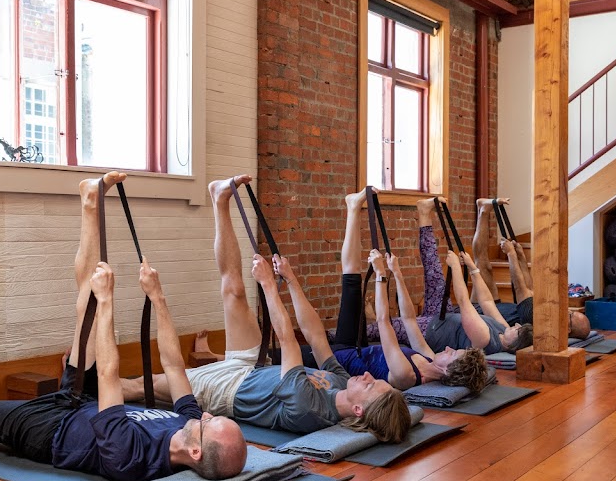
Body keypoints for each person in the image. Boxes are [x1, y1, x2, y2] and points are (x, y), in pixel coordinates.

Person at [0, 172, 247, 481]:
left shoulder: (131, 456)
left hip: (51, 430)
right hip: (83, 401)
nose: (206, 414)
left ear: (195, 451)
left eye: (208, 423)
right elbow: (173, 365)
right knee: (87, 304)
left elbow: (109, 374)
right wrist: (159, 298)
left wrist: (108, 301)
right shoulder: (188, 421)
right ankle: (90, 202)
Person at [139, 176, 412, 443]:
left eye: (370, 385)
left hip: (228, 388)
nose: (368, 376)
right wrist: (290, 280)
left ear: (358, 410)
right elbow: (315, 337)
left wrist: (269, 284)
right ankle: (220, 199)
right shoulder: (342, 384)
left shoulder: (310, 410)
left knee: (142, 385)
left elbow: (287, 340)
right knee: (234, 290)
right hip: (255, 366)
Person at [301, 188, 488, 393]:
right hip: (353, 347)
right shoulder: (429, 358)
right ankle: (353, 207)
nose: (449, 348)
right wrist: (397, 274)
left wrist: (381, 275)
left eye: (452, 354)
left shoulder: (406, 375)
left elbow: (383, 322)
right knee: (352, 279)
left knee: (284, 353)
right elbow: (409, 319)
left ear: (448, 371)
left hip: (332, 360)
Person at [367, 197, 533, 355]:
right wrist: (473, 268)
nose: (517, 324)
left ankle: (364, 326)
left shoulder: (485, 339)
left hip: (430, 330)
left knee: (377, 328)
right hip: (443, 315)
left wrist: (455, 268)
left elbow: (463, 301)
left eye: (518, 330)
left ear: (514, 344)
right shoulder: (503, 329)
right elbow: (487, 302)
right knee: (434, 273)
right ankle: (424, 212)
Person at [470, 198, 592, 340]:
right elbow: (529, 288)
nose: (568, 309)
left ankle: (483, 212)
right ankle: (484, 210)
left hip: (483, 311)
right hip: (498, 307)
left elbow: (520, 287)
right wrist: (521, 257)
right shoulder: (547, 315)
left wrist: (511, 254)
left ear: (567, 328)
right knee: (485, 267)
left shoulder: (538, 320)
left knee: (483, 264)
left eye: (570, 314)